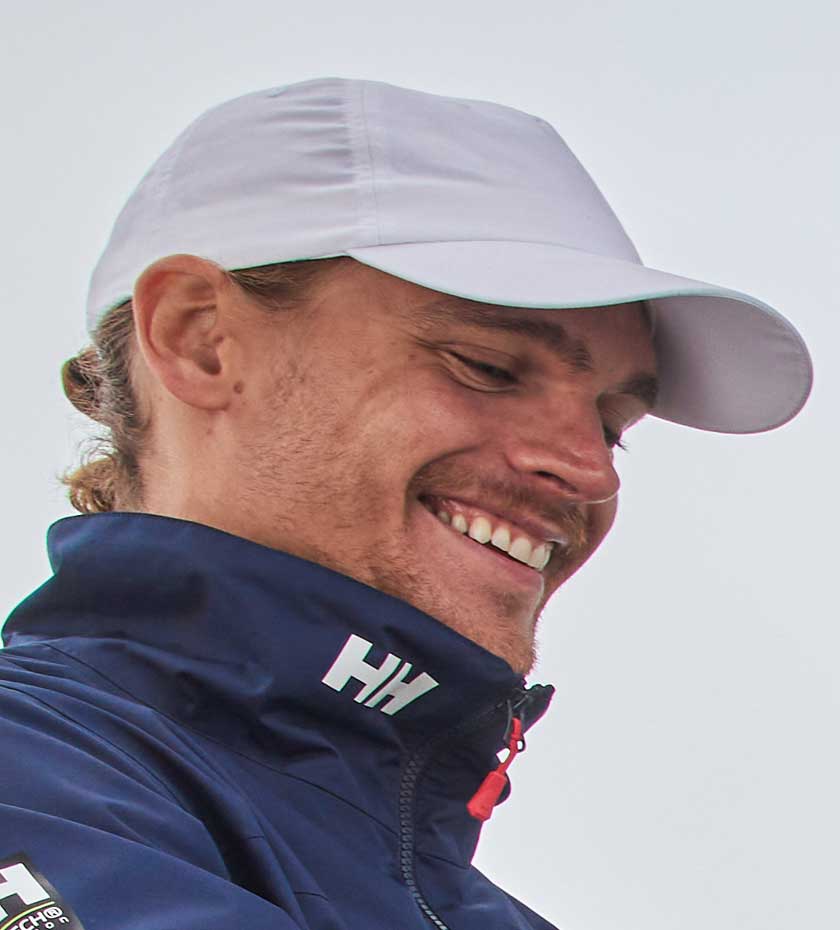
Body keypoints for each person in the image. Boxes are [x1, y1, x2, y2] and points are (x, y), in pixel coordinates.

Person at [0, 77, 812, 930]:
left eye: (612, 426)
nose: (589, 472)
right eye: (488, 367)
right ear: (201, 338)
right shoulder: (33, 768)